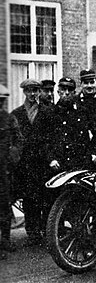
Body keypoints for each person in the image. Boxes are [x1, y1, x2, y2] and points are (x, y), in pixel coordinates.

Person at [10, 79, 52, 246]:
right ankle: (32, 233)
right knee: (28, 199)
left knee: (44, 197)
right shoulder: (17, 113)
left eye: (35, 90)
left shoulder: (47, 112)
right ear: (24, 92)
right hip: (25, 163)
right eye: (29, 91)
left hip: (42, 162)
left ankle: (44, 230)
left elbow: (51, 138)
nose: (32, 94)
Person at [49, 77, 94, 171]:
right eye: (63, 89)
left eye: (70, 90)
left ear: (74, 92)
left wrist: (93, 154)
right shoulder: (51, 113)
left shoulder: (82, 111)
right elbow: (45, 140)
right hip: (58, 165)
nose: (66, 93)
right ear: (58, 92)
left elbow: (95, 134)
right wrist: (51, 159)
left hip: (80, 164)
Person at [0, 84, 23, 258]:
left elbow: (18, 141)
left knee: (5, 204)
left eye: (1, 101)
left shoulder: (9, 119)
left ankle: (5, 239)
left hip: (4, 169)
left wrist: (12, 159)